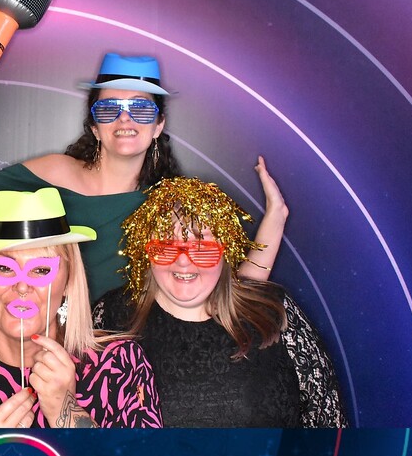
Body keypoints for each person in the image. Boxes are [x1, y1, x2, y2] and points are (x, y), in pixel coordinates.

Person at [0, 53, 288, 302]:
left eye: (141, 109)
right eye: (109, 109)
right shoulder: (53, 172)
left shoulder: (170, 203)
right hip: (46, 347)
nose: (124, 119)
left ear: (158, 126)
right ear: (95, 126)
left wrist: (276, 218)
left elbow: (230, 293)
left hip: (128, 364)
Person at [0, 188, 162, 428]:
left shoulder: (118, 368)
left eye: (41, 270)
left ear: (68, 282)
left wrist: (66, 413)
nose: (22, 286)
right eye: (3, 268)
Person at [93, 176, 346, 428]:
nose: (183, 261)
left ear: (226, 251)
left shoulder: (273, 312)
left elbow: (329, 426)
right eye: (167, 245)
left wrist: (276, 215)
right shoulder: (111, 317)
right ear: (147, 251)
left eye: (202, 248)